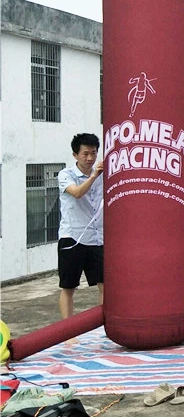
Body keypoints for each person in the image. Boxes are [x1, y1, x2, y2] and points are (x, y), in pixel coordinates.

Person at [57, 133, 104, 319]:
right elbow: (77, 193)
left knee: (105, 284)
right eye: (85, 154)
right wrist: (94, 176)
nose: (90, 158)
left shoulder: (103, 174)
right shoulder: (66, 175)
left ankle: (104, 326)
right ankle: (68, 332)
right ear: (75, 155)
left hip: (98, 237)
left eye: (93, 153)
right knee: (69, 286)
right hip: (73, 237)